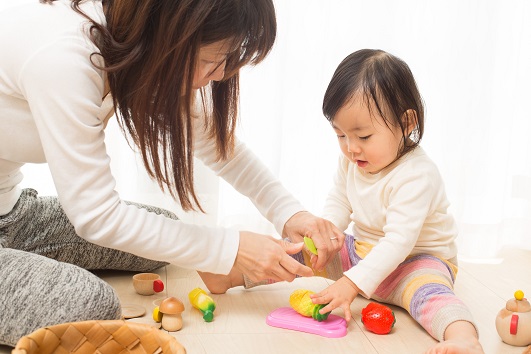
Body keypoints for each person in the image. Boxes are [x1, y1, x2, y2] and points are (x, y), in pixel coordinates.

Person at [0, 0, 345, 347]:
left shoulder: (129, 45)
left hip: (12, 215)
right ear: (170, 35)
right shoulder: (64, 55)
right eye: (212, 61)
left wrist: (290, 212)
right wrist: (229, 249)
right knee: (89, 305)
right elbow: (96, 216)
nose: (222, 74)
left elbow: (219, 149)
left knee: (162, 233)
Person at [202, 49, 484, 354]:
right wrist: (327, 235)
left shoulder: (417, 175)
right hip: (361, 253)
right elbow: (339, 199)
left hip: (415, 263)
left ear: (407, 123)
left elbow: (399, 243)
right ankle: (232, 274)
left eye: (363, 137)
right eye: (340, 135)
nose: (351, 148)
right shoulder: (352, 160)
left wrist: (350, 284)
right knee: (299, 250)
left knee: (431, 296)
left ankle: (463, 338)